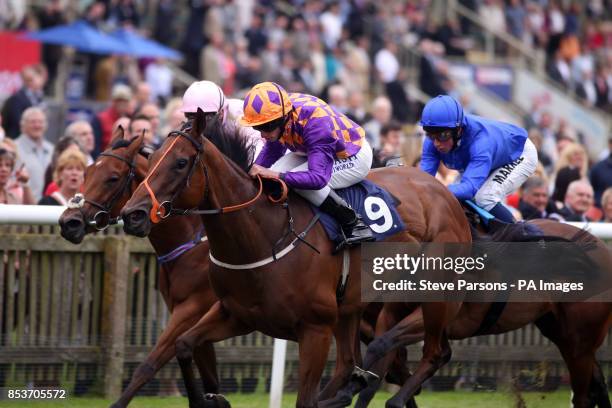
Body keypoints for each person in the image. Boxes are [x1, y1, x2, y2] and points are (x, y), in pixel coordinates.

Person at [239, 82, 374, 251]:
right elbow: (271, 152)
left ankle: (354, 224)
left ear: (284, 118)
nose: (262, 134)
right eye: (257, 127)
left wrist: (278, 176)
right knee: (270, 177)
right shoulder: (281, 115)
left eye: (266, 127)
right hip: (315, 150)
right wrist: (250, 174)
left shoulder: (316, 123)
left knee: (295, 182)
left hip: (353, 156)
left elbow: (317, 178)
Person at [419, 95, 538, 223]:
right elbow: (423, 180)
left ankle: (519, 235)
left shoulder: (481, 143)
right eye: (431, 135)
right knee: (456, 196)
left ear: (458, 130)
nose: (436, 143)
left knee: (484, 197)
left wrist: (437, 190)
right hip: (492, 155)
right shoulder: (432, 142)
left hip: (519, 154)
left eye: (443, 135)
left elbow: (469, 188)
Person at [180, 80, 264, 158]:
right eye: (190, 116)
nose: (198, 121)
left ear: (221, 113)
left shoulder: (240, 114)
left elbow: (256, 149)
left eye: (205, 116)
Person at [14, 107, 53, 201]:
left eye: (40, 122)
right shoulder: (13, 148)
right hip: (23, 208)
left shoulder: (52, 149)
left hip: (50, 207)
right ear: (23, 125)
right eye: (33, 122)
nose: (37, 125)